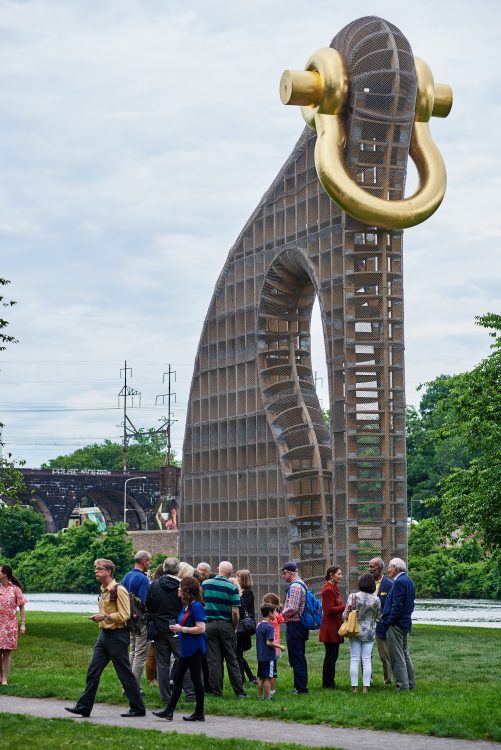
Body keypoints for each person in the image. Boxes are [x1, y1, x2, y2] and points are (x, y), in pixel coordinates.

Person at [65, 558, 146, 718]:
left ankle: (138, 708)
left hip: (117, 636)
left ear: (108, 572)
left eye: (100, 569)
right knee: (93, 671)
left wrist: (105, 617)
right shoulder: (103, 590)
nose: (96, 571)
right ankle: (84, 707)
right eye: (96, 568)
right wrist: (103, 618)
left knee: (124, 673)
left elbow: (125, 615)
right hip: (104, 636)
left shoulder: (119, 590)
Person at [152, 576, 206, 722]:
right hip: (186, 648)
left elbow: (201, 628)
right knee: (178, 678)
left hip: (195, 649)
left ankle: (198, 713)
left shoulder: (196, 606)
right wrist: (179, 629)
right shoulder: (186, 606)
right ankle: (169, 711)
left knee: (194, 680)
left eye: (180, 587)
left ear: (186, 590)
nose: (178, 589)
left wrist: (182, 629)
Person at [201, 560, 246, 698]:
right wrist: (234, 626)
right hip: (226, 625)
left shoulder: (205, 584)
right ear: (230, 573)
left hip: (209, 625)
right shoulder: (231, 588)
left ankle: (217, 692)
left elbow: (201, 604)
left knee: (214, 661)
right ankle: (239, 692)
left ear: (217, 569)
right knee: (232, 660)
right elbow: (235, 612)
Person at [145, 556, 183, 705]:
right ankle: (190, 692)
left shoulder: (153, 585)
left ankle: (165, 695)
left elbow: (148, 606)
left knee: (162, 662)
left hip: (159, 627)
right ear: (178, 569)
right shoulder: (183, 585)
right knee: (183, 659)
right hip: (178, 627)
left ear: (163, 568)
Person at [381, 557, 416, 691]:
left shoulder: (399, 582)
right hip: (405, 623)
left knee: (397, 656)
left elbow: (397, 605)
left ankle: (402, 686)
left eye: (389, 567)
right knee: (405, 654)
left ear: (395, 568)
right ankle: (410, 684)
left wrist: (390, 621)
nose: (388, 569)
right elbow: (410, 605)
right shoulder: (408, 581)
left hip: (396, 625)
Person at [342, 573, 381, 693]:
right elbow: (379, 616)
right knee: (367, 659)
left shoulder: (353, 596)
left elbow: (345, 615)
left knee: (354, 658)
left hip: (355, 629)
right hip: (369, 631)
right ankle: (366, 687)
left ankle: (354, 687)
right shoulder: (376, 599)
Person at [122, 549, 151, 686]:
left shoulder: (126, 576)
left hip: (128, 619)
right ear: (144, 562)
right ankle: (133, 687)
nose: (149, 564)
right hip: (140, 622)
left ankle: (126, 685)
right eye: (149, 561)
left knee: (132, 652)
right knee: (140, 655)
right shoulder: (143, 579)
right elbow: (143, 602)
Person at [281, 561, 309, 694]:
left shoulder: (295, 587)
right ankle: (301, 685)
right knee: (300, 656)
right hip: (300, 625)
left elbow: (292, 608)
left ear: (288, 572)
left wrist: (278, 617)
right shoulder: (301, 584)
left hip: (295, 625)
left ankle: (301, 688)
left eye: (283, 573)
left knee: (297, 657)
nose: (283, 576)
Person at [368, 557, 394, 686]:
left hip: (381, 625)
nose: (369, 569)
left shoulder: (389, 585)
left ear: (380, 568)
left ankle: (388, 681)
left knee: (385, 656)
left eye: (372, 567)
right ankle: (368, 680)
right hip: (366, 625)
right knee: (366, 655)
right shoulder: (366, 582)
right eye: (369, 566)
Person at [0, 564, 27, 686]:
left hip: (10, 625)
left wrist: (23, 624)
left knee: (6, 652)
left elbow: (21, 607)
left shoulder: (15, 589)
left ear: (5, 574)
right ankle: (0, 676)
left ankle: (4, 678)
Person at [319, 565, 345, 689]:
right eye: (339, 574)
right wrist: (346, 607)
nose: (341, 576)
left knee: (333, 656)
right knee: (330, 656)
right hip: (330, 628)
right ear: (331, 575)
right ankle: (327, 683)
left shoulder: (334, 587)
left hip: (335, 626)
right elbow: (328, 610)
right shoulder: (328, 590)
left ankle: (330, 682)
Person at [255, 604, 286, 699]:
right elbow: (269, 643)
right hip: (268, 657)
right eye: (275, 612)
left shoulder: (259, 625)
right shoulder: (270, 627)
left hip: (260, 656)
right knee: (268, 677)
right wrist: (280, 646)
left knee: (261, 677)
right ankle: (268, 697)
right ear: (270, 613)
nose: (276, 614)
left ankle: (260, 697)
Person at [236, 569, 257, 685]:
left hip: (244, 625)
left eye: (238, 577)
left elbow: (242, 607)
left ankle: (244, 679)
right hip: (240, 624)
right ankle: (250, 677)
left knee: (237, 652)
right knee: (237, 653)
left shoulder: (248, 593)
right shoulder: (241, 591)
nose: (236, 578)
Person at [261, 592, 284, 696]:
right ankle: (270, 690)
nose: (264, 605)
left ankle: (271, 690)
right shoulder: (278, 616)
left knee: (271, 671)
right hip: (274, 646)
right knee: (271, 670)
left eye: (266, 603)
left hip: (272, 646)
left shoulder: (272, 618)